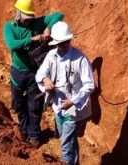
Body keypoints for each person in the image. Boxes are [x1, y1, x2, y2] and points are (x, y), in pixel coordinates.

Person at [3, 0, 65, 147]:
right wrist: (33, 39)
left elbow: (59, 15)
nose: (28, 20)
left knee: (35, 106)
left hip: (35, 73)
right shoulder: (10, 27)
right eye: (25, 17)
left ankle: (35, 135)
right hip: (18, 72)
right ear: (18, 14)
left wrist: (48, 28)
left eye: (30, 16)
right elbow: (12, 45)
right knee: (18, 104)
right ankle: (23, 131)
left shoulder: (37, 23)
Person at [36, 22, 95, 165]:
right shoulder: (51, 55)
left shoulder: (80, 59)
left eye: (67, 42)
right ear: (56, 43)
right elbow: (40, 74)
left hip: (75, 110)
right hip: (58, 107)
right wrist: (46, 79)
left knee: (66, 145)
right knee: (67, 139)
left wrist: (73, 101)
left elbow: (89, 85)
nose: (65, 45)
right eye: (61, 43)